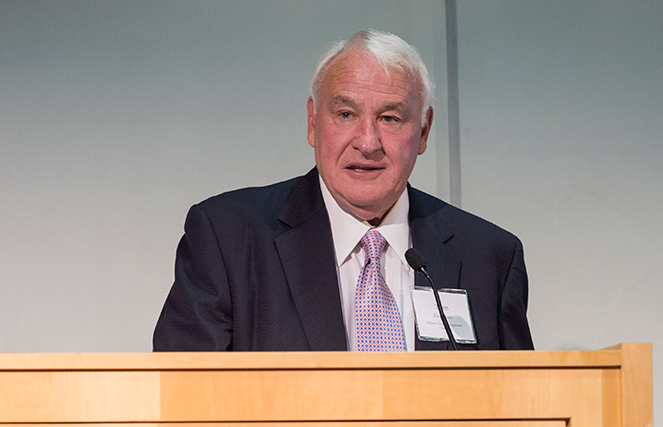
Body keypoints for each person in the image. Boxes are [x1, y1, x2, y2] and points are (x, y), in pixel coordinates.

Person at [153, 29, 533, 352]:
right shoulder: (228, 238)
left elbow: (523, 413)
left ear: (423, 131)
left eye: (390, 118)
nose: (367, 143)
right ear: (313, 122)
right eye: (346, 114)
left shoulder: (490, 257)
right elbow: (182, 401)